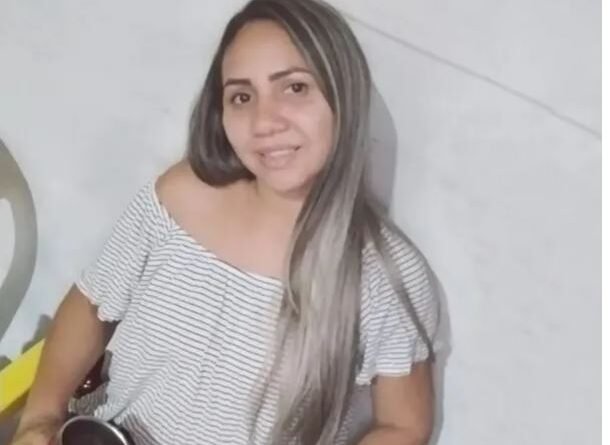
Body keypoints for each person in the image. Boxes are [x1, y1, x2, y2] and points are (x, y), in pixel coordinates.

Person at [10, 0, 440, 444]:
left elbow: (404, 425)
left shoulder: (385, 274)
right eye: (241, 96)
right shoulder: (177, 197)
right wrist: (39, 419)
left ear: (344, 96)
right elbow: (91, 303)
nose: (264, 121)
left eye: (294, 88)